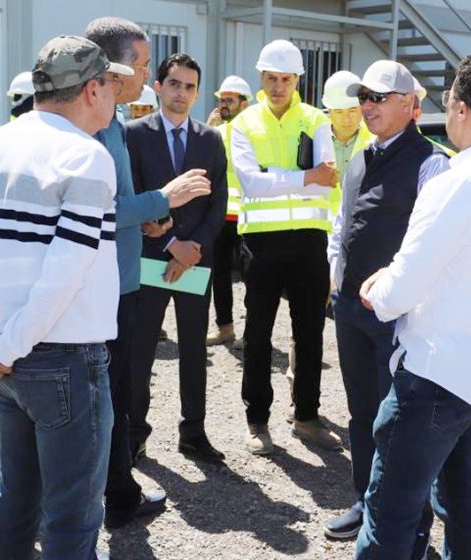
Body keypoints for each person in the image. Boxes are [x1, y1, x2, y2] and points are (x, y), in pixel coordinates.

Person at [0, 35, 130, 559]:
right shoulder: (87, 157)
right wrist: (1, 349)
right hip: (62, 358)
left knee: (15, 500)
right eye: (112, 85)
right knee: (72, 518)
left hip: (8, 352)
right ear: (92, 89)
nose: (116, 96)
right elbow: (64, 274)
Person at [354, 54, 471, 559]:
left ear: (459, 108)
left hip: (436, 375)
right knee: (465, 505)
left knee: (390, 512)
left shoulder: (456, 182)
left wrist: (377, 288)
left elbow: (402, 287)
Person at [86, 17, 212, 529]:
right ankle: (117, 491)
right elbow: (99, 209)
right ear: (116, 69)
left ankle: (119, 485)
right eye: (141, 66)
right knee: (117, 384)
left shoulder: (112, 123)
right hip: (111, 282)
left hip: (135, 273)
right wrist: (165, 201)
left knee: (117, 386)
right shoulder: (102, 129)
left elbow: (216, 198)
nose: (146, 77)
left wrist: (167, 228)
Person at [323, 61, 450, 541]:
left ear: (409, 104)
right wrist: (336, 275)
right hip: (352, 310)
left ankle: (406, 519)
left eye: (378, 97)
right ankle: (366, 500)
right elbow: (343, 221)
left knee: (395, 421)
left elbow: (431, 246)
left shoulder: (431, 163)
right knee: (361, 410)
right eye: (364, 97)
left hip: (397, 316)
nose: (367, 105)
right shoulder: (360, 155)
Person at [231, 39, 341, 455]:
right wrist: (303, 176)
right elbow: (249, 182)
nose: (279, 86)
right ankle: (256, 422)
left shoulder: (315, 120)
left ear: (298, 79)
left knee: (310, 333)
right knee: (257, 335)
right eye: (272, 78)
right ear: (261, 78)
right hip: (261, 242)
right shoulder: (245, 123)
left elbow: (327, 175)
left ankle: (307, 417)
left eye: (286, 79)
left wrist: (279, 176)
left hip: (310, 240)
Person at [126, 53, 228, 464]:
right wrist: (171, 247)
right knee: (140, 350)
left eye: (189, 86)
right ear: (160, 86)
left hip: (195, 262)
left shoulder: (209, 139)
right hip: (149, 259)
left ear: (198, 92)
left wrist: (193, 250)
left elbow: (218, 203)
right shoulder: (133, 135)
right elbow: (131, 198)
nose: (181, 93)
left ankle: (194, 433)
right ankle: (135, 431)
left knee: (193, 351)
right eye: (174, 83)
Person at [205, 75, 252, 347]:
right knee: (220, 275)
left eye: (229, 100)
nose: (223, 105)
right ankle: (225, 328)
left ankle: (250, 332)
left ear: (244, 105)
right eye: (222, 100)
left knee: (251, 278)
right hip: (222, 215)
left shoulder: (254, 133)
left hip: (247, 214)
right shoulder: (216, 133)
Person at [321, 70, 374, 215]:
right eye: (339, 112)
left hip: (360, 224)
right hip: (322, 227)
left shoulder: (376, 140)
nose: (346, 119)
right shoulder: (313, 139)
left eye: (352, 110)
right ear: (329, 111)